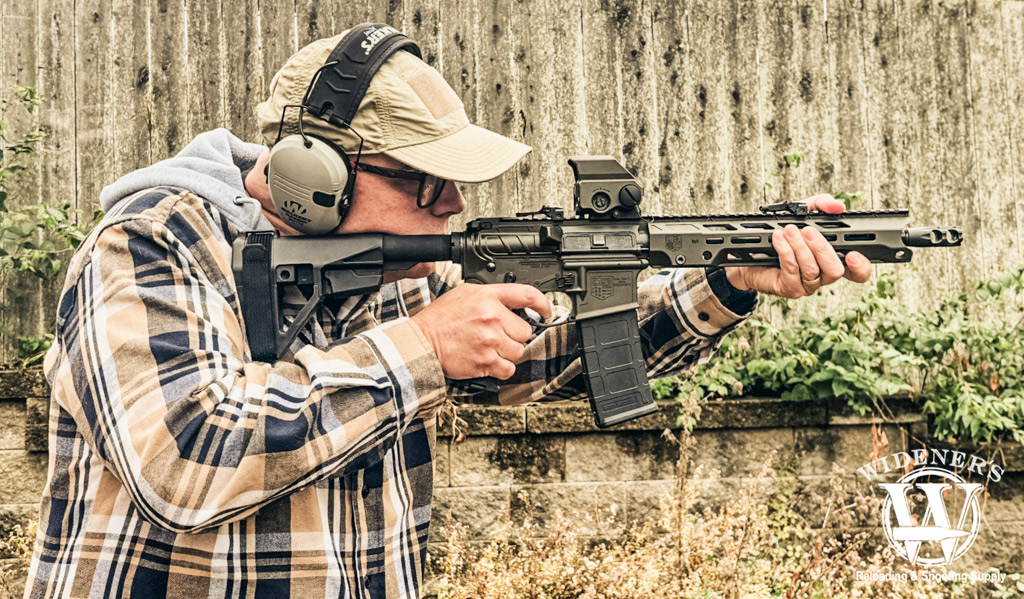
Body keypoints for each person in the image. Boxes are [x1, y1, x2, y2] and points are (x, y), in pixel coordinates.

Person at [24, 25, 871, 599]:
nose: (453, 203)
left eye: (459, 183)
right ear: (312, 174)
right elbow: (188, 455)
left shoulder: (396, 270)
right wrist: (422, 347)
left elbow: (541, 356)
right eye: (426, 181)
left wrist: (725, 284)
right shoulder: (146, 246)